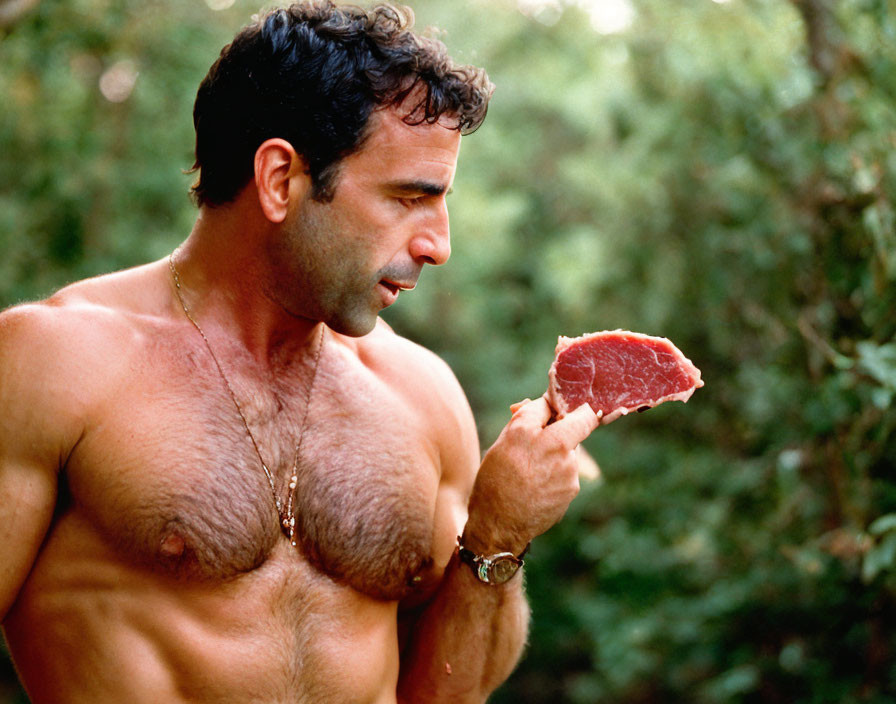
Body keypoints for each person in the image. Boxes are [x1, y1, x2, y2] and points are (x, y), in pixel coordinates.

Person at [0, 2, 599, 702]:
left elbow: (447, 695)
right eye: (408, 199)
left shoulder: (421, 394)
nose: (438, 245)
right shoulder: (53, 362)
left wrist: (500, 530)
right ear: (280, 179)